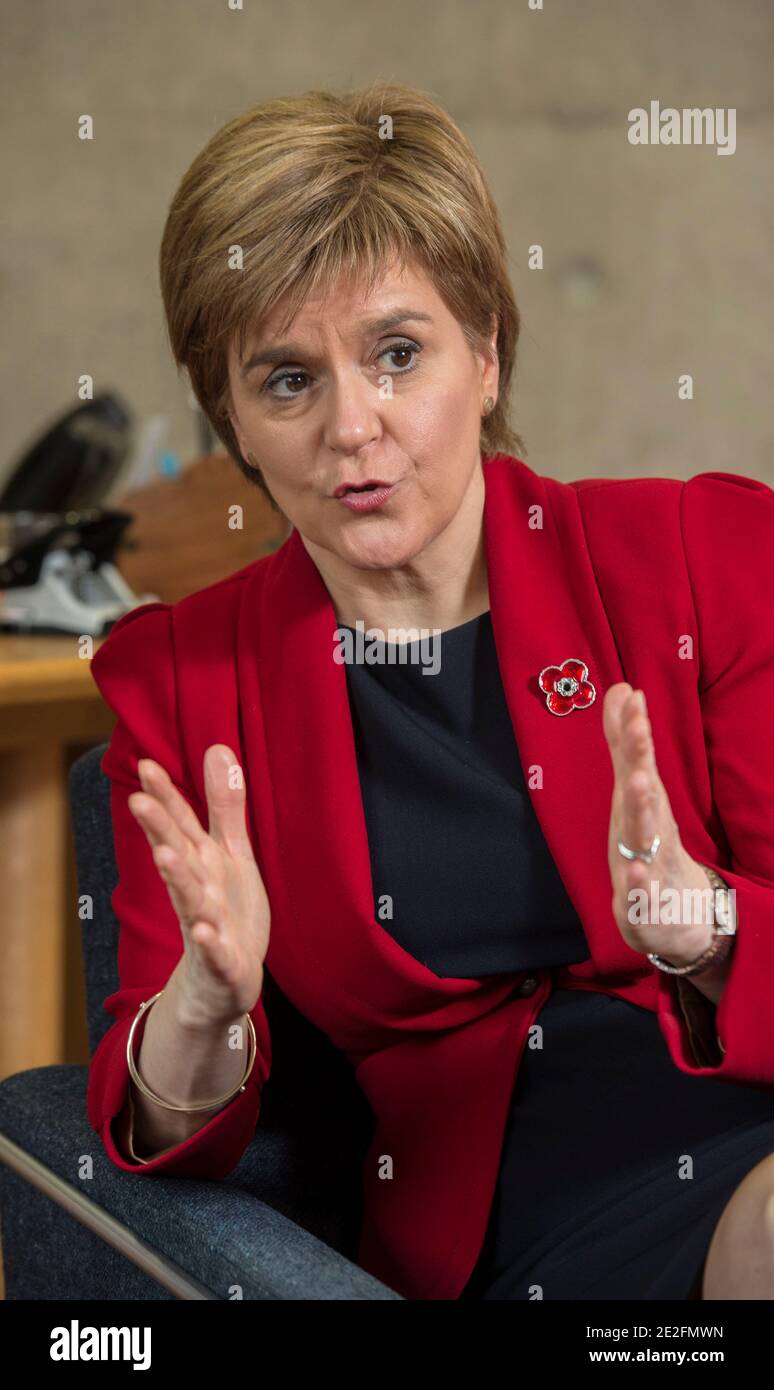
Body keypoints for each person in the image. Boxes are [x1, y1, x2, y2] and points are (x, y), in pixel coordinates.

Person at [87, 80, 774, 1302]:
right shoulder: (181, 682)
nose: (355, 426)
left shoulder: (703, 557)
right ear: (232, 418)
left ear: (489, 351)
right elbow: (160, 1110)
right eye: (287, 379)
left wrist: (709, 924)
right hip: (513, 1195)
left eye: (398, 354)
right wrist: (204, 1007)